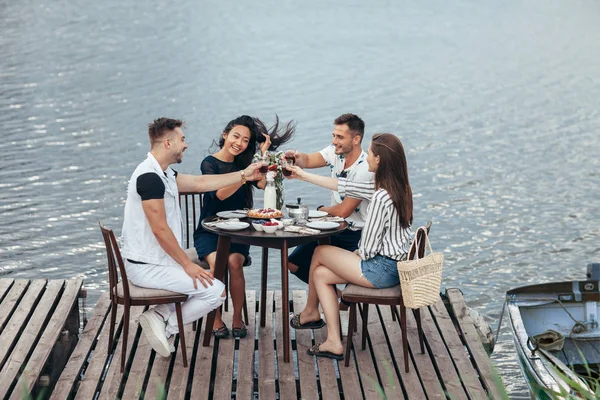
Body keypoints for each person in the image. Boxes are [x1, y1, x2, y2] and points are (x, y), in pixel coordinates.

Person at [121, 118, 261, 357]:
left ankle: (161, 316)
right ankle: (165, 323)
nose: (185, 145)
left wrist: (245, 175)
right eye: (182, 139)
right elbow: (160, 230)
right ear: (168, 143)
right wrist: (188, 266)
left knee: (209, 285)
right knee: (215, 292)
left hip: (157, 261)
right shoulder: (149, 178)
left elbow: (201, 182)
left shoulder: (162, 174)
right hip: (146, 266)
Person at [287, 133, 413, 360]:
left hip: (382, 270)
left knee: (319, 251)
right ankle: (332, 340)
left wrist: (357, 252)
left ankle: (312, 314)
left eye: (371, 155)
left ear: (379, 160)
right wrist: (302, 175)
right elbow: (341, 184)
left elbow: (369, 248)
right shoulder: (396, 187)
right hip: (395, 266)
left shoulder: (380, 198)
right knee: (321, 273)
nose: (368, 159)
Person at [193, 115, 295, 338]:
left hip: (240, 229)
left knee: (235, 262)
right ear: (225, 135)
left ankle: (238, 317)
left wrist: (263, 154)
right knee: (218, 264)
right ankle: (215, 317)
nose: (239, 143)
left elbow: (262, 182)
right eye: (236, 137)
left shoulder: (245, 163)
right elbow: (219, 195)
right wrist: (242, 176)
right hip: (211, 229)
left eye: (245, 140)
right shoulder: (209, 163)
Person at [286, 113, 374, 285]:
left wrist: (320, 210)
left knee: (318, 266)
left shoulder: (365, 169)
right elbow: (309, 159)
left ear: (356, 139)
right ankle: (337, 299)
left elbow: (344, 211)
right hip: (335, 227)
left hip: (356, 234)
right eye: (334, 135)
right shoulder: (336, 152)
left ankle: (342, 301)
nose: (334, 141)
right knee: (291, 263)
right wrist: (297, 157)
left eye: (340, 137)